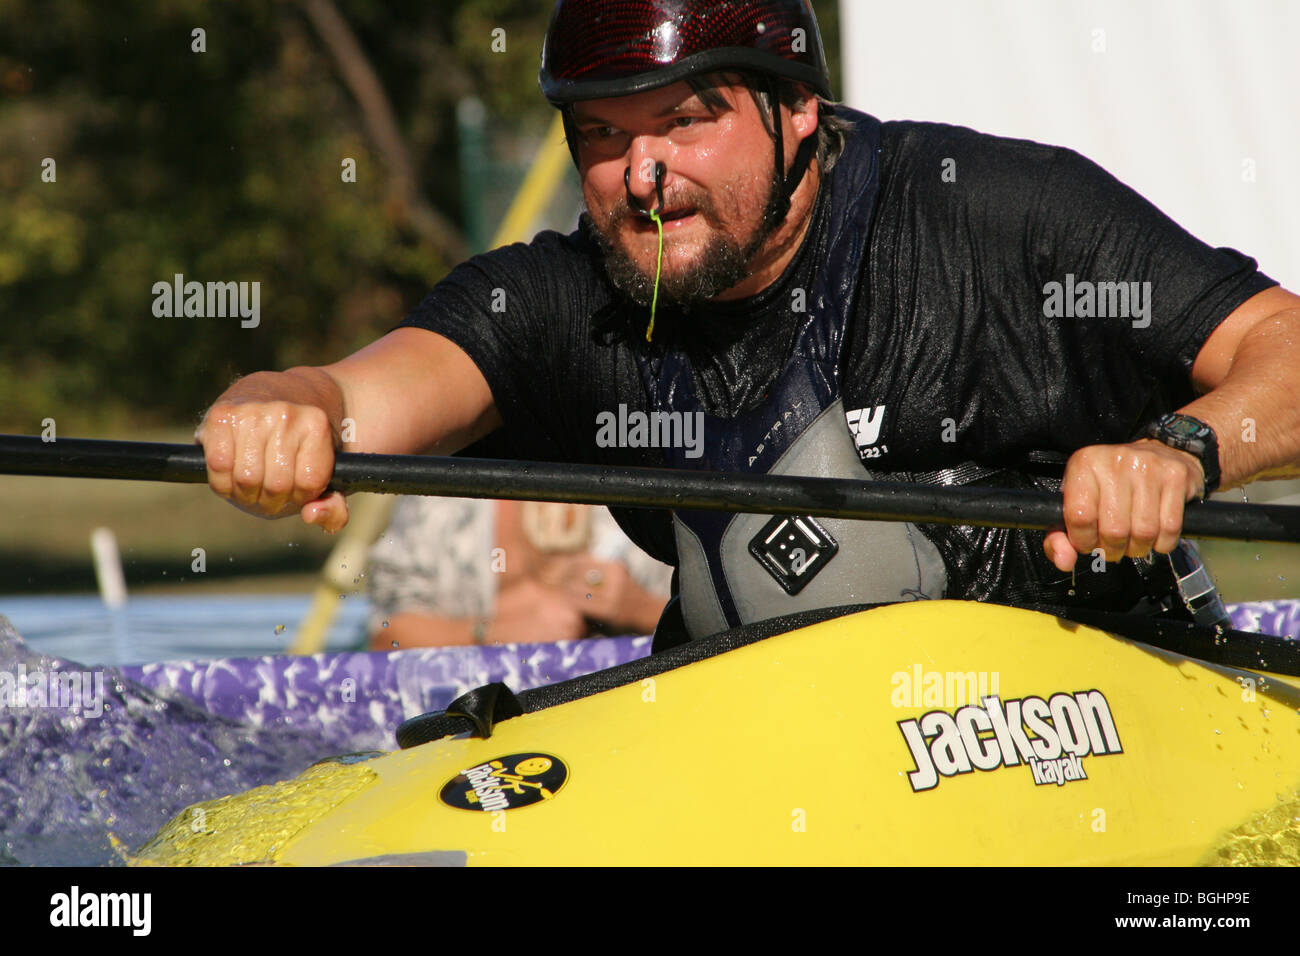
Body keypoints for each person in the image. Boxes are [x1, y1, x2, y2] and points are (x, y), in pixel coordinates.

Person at [198, 0, 1300, 645]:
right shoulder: (555, 296)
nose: (640, 173)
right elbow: (356, 395)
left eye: (684, 121)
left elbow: (1282, 347)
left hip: (1097, 713)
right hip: (765, 752)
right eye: (600, 135)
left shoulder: (1001, 211)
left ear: (798, 111)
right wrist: (277, 409)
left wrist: (1182, 451)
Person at [366, 497, 671, 649]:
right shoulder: (443, 488)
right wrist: (491, 632)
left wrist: (640, 609)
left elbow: (717, 629)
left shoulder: (647, 452)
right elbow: (386, 639)